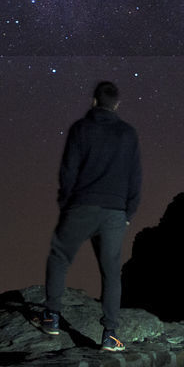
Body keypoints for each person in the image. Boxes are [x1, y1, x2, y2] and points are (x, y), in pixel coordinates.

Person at [39, 80, 142, 352]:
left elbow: (68, 171)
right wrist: (128, 212)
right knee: (111, 273)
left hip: (82, 206)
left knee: (60, 257)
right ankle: (110, 334)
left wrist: (66, 205)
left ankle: (51, 317)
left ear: (94, 101)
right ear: (117, 104)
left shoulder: (81, 129)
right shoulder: (128, 134)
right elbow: (136, 177)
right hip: (115, 213)